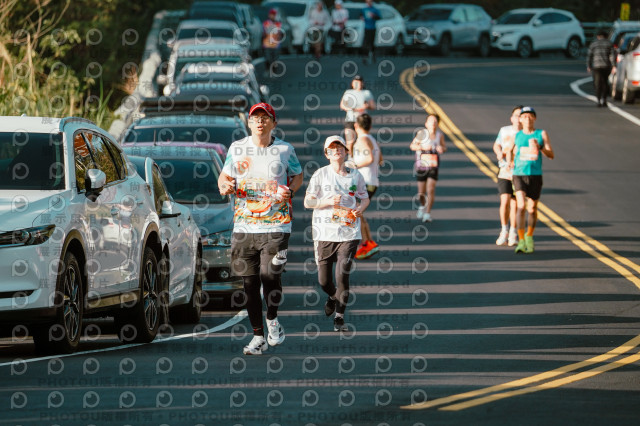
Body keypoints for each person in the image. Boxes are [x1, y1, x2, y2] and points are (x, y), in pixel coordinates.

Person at [218, 102, 303, 355]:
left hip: (277, 223)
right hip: (245, 224)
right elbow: (224, 177)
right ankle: (258, 336)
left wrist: (290, 191)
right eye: (255, 118)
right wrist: (224, 186)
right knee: (249, 283)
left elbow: (297, 175)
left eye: (265, 118)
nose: (259, 122)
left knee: (270, 275)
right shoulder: (237, 148)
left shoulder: (285, 150)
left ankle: (272, 319)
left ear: (273, 123)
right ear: (249, 122)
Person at [304, 135, 370, 331]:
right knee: (324, 281)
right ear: (327, 154)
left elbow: (364, 198)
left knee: (342, 276)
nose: (336, 151)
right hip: (324, 233)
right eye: (332, 149)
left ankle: (339, 317)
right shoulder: (320, 174)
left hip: (349, 232)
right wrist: (327, 202)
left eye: (340, 148)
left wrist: (360, 209)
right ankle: (333, 296)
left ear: (346, 151)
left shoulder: (355, 175)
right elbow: (308, 202)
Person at [508, 106, 554, 254]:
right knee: (521, 206)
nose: (527, 119)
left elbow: (551, 155)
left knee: (532, 208)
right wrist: (510, 162)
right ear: (520, 120)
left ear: (535, 118)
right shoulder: (517, 135)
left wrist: (540, 147)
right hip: (519, 174)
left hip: (535, 174)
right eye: (524, 116)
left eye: (530, 116)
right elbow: (509, 150)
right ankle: (520, 239)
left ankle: (529, 236)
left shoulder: (541, 134)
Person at [350, 114, 382, 260]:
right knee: (359, 212)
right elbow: (380, 159)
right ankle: (369, 242)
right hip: (372, 182)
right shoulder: (372, 139)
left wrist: (353, 165)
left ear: (356, 125)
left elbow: (369, 158)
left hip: (364, 182)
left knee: (357, 212)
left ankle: (364, 244)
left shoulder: (362, 140)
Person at [493, 105, 522, 246]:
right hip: (504, 170)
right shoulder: (505, 131)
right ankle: (504, 230)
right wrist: (499, 153)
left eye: (521, 116)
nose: (519, 118)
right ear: (512, 118)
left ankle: (513, 232)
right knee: (504, 200)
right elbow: (496, 144)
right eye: (516, 115)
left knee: (515, 204)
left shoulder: (527, 134)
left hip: (519, 172)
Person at [410, 113, 446, 223]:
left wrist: (441, 148)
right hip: (422, 165)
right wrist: (422, 147)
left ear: (438, 124)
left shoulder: (439, 135)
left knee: (431, 189)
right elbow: (412, 146)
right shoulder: (422, 134)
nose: (433, 124)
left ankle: (427, 213)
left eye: (435, 122)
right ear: (426, 123)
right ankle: (422, 206)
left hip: (433, 165)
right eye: (431, 121)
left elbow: (444, 147)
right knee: (421, 192)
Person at [340, 75, 375, 148]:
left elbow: (373, 106)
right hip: (350, 119)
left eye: (360, 82)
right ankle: (350, 155)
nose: (358, 84)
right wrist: (351, 108)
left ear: (362, 83)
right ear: (352, 83)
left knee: (362, 141)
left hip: (362, 120)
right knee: (350, 142)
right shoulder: (348, 92)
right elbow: (342, 105)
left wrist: (366, 106)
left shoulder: (366, 93)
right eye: (356, 82)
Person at [587, 29, 614, 107]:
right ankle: (604, 100)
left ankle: (598, 100)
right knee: (605, 83)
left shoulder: (593, 44)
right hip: (606, 66)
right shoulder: (609, 44)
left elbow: (589, 56)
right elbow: (612, 55)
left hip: (596, 66)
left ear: (598, 36)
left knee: (597, 84)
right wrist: (614, 66)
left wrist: (589, 65)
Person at [262, 9, 283, 75]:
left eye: (274, 15)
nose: (273, 16)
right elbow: (263, 33)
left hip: (276, 45)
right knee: (268, 58)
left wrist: (279, 36)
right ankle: (267, 70)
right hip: (267, 44)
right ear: (269, 15)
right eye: (271, 15)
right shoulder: (265, 23)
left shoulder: (278, 24)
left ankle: (274, 72)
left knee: (275, 60)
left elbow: (280, 34)